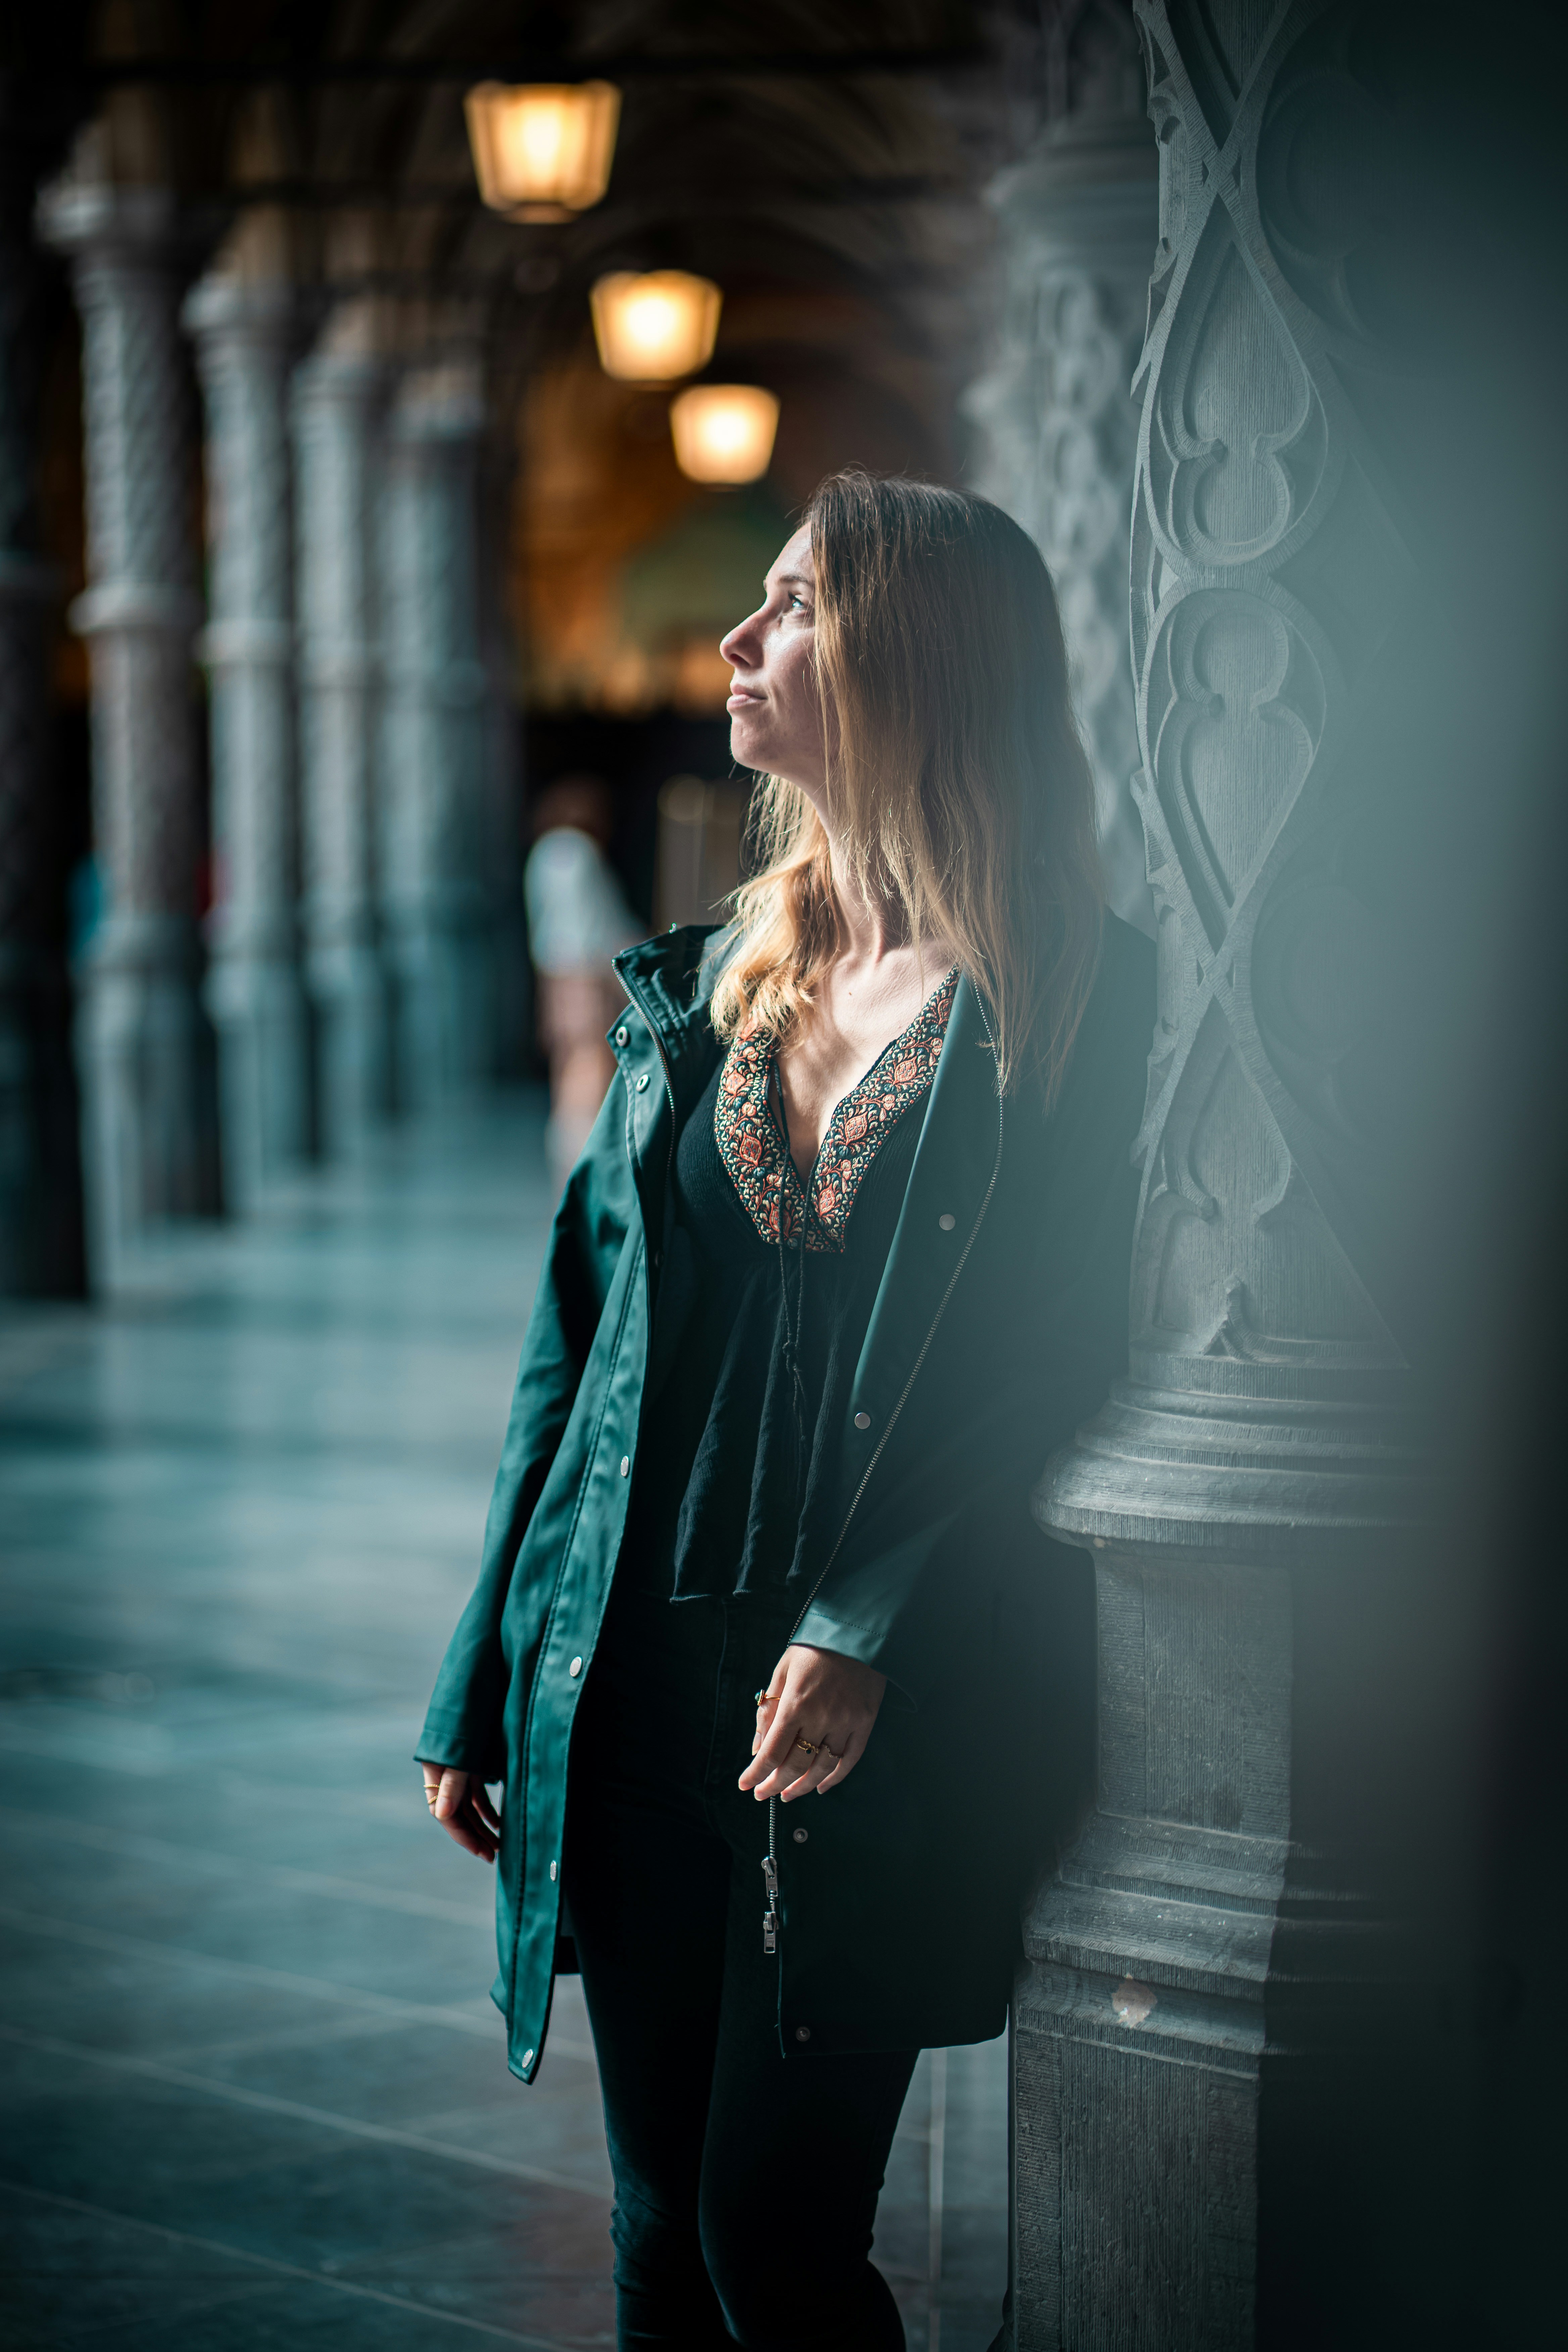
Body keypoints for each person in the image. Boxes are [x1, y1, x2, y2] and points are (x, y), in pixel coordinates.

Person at [417, 472, 1155, 2351]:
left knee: (773, 2235)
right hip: (641, 1680)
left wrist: (863, 1621)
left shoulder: (1063, 1002)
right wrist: (480, 1675)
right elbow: (567, 1349)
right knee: (658, 2226)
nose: (736, 646)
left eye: (789, 607)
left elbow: (1057, 1359)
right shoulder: (701, 992)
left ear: (910, 659)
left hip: (867, 1709)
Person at [523, 774, 639, 1191]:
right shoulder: (578, 854)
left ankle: (566, 1143)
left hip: (555, 972)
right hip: (585, 973)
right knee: (590, 1060)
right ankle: (580, 1146)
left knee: (567, 1060)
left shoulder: (543, 854)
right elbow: (596, 924)